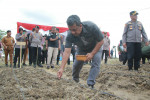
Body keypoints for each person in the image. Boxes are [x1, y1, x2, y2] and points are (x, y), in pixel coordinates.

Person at [57, 15, 104, 88]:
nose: (72, 32)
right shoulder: (70, 35)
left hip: (95, 46)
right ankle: (75, 80)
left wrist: (92, 54)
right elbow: (67, 52)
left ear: (80, 26)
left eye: (74, 30)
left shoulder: (91, 27)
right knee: (76, 64)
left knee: (96, 61)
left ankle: (90, 84)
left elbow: (101, 41)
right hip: (82, 48)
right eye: (70, 29)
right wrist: (61, 68)